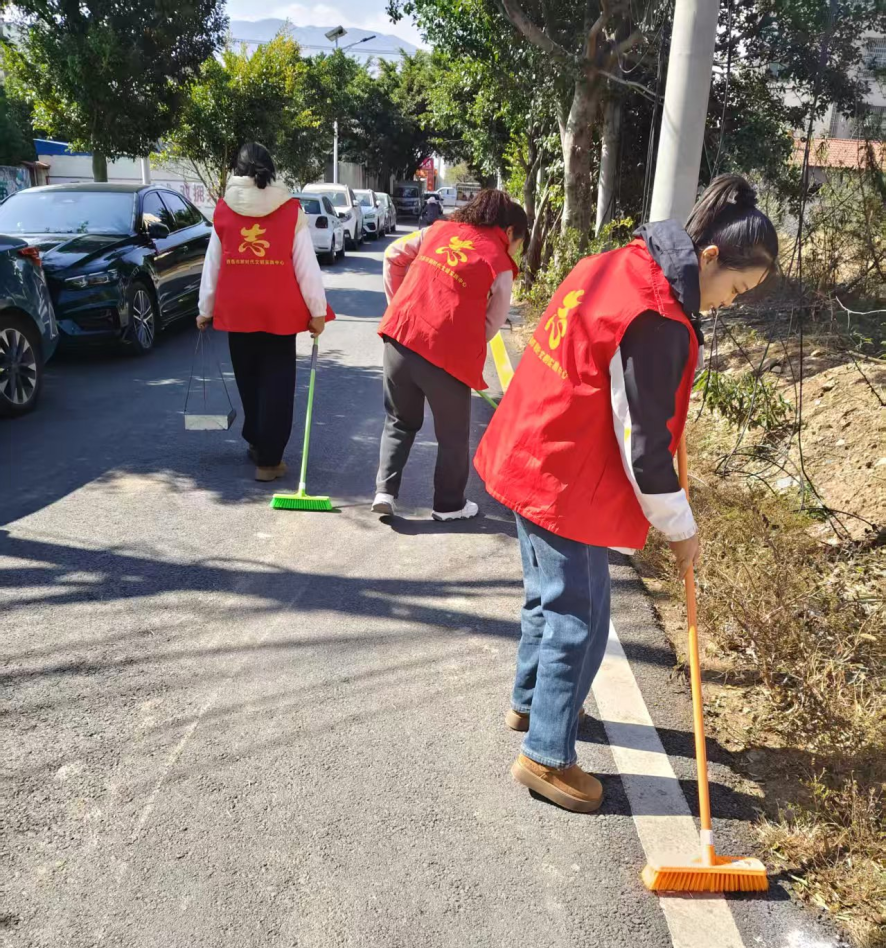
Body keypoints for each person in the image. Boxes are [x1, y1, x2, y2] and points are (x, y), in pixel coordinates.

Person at [474, 175, 778, 812]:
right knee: (579, 618)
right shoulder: (660, 317)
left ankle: (531, 706)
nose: (730, 304)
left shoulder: (623, 262)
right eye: (736, 289)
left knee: (549, 598)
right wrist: (681, 528)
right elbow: (643, 446)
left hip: (531, 447)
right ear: (711, 258)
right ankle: (547, 758)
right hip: (562, 472)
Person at [372, 189, 528, 521]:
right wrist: (465, 342)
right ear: (510, 231)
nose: (516, 251)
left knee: (399, 421)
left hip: (399, 337)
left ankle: (384, 492)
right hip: (446, 356)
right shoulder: (498, 261)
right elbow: (493, 320)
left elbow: (392, 255)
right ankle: (449, 505)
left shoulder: (437, 230)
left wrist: (399, 306)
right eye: (519, 243)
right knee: (453, 435)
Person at [197, 142, 331, 482]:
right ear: (270, 169)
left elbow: (213, 265)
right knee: (277, 383)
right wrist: (317, 311)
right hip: (279, 313)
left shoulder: (224, 210)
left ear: (238, 169)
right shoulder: (290, 210)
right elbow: (305, 266)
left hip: (237, 311)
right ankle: (269, 461)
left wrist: (205, 309)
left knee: (249, 380)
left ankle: (257, 441)